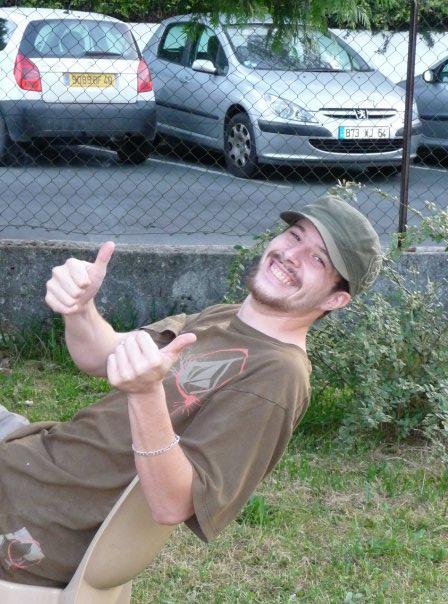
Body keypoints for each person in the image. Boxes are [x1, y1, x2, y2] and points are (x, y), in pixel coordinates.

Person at [0, 195, 382, 588]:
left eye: (318, 259)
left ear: (335, 298)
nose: (292, 255)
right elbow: (101, 355)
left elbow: (173, 504)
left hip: (35, 519)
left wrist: (146, 395)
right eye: (295, 236)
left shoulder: (279, 375)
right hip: (30, 461)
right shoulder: (224, 316)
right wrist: (81, 308)